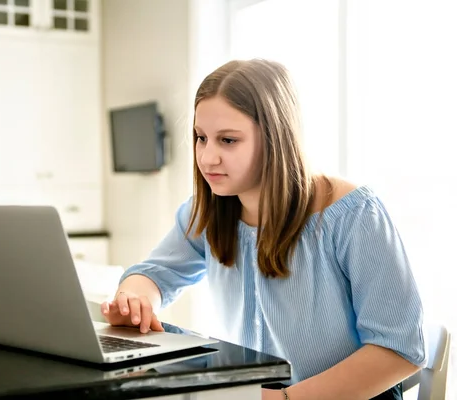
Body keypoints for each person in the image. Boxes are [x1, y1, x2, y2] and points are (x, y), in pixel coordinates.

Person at [100, 59, 426, 400]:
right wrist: (134, 298)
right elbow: (154, 274)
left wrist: (284, 399)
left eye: (227, 140)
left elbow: (401, 349)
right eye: (201, 138)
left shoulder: (352, 215)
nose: (208, 157)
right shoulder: (209, 210)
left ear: (275, 137)